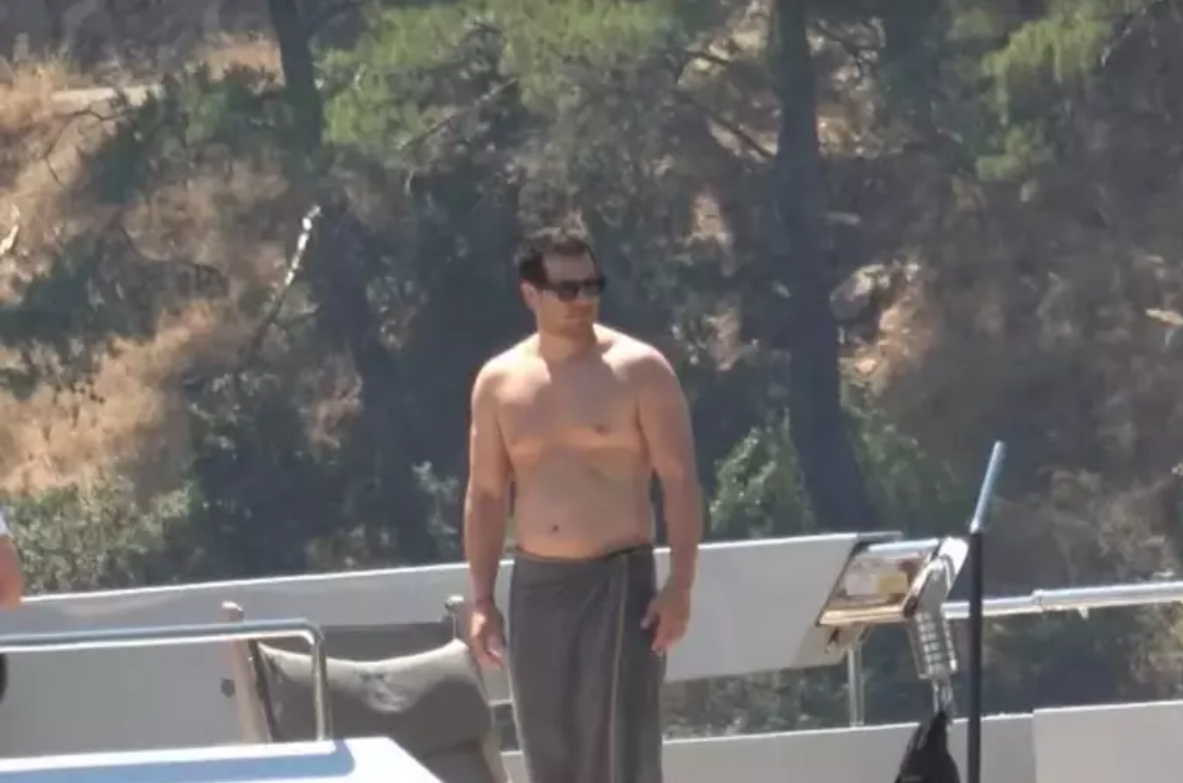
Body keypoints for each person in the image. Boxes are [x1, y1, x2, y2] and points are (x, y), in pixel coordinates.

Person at [462, 226, 703, 783]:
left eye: (592, 286)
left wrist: (680, 585)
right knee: (548, 747)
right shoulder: (499, 382)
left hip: (618, 581)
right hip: (537, 584)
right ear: (531, 293)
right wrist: (482, 599)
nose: (582, 300)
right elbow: (487, 494)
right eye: (566, 289)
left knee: (621, 752)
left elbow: (681, 481)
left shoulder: (639, 370)